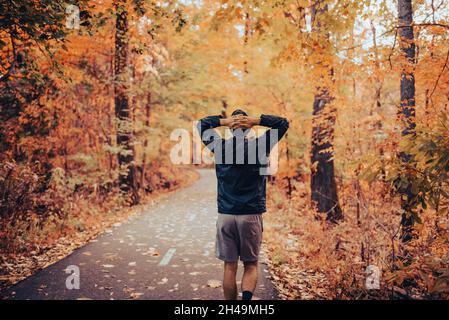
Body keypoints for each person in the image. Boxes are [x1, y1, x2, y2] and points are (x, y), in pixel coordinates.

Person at [197, 109, 289, 300]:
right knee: (251, 264)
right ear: (248, 129)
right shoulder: (260, 145)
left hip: (226, 216)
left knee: (229, 266)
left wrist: (223, 121)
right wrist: (256, 120)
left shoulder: (220, 147)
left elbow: (202, 125)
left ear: (231, 130)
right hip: (251, 215)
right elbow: (283, 123)